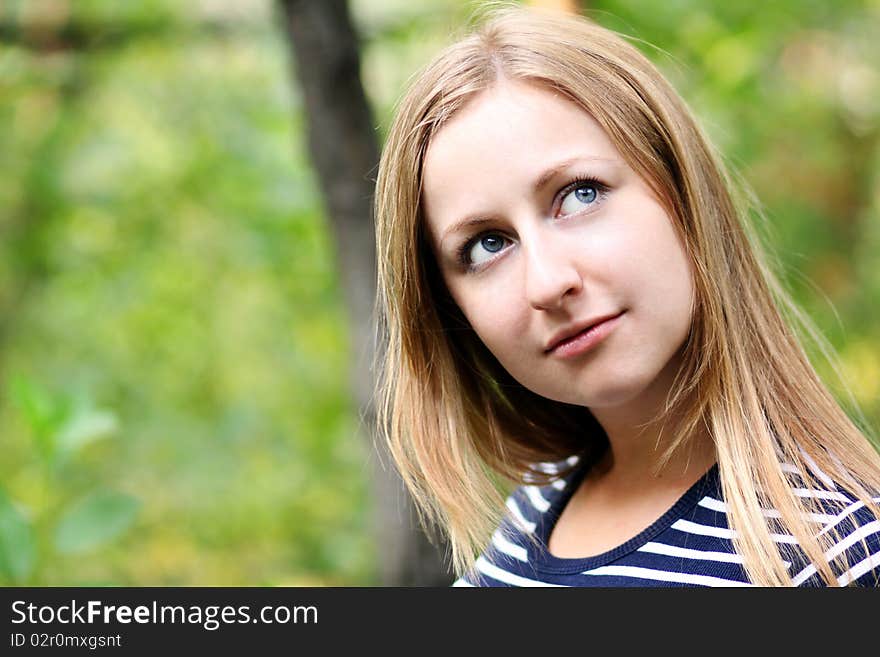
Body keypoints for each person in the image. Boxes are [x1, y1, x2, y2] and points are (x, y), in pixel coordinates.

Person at [372, 5, 880, 586]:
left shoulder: (837, 556)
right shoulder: (534, 513)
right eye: (488, 245)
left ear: (682, 194)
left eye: (579, 194)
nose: (547, 282)